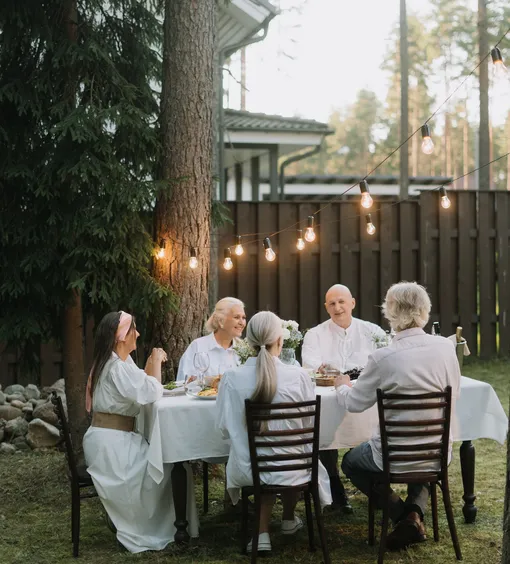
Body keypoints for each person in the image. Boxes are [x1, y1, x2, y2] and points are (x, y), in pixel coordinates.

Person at [335, 282, 461, 550]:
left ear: (390, 312)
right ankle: (414, 516)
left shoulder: (383, 357)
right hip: (435, 453)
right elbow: (456, 395)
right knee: (425, 461)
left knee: (350, 462)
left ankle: (401, 514)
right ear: (424, 311)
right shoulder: (445, 348)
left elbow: (355, 404)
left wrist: (340, 386)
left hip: (391, 456)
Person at [217, 311, 332, 554]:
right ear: (280, 340)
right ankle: (289, 519)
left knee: (265, 455)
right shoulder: (299, 375)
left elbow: (224, 427)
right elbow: (307, 425)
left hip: (250, 467)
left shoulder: (231, 378)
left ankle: (262, 534)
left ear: (248, 343)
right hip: (295, 467)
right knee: (294, 448)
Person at [83, 311, 198, 553]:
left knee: (173, 463)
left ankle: (172, 525)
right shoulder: (115, 366)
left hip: (117, 439)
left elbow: (142, 384)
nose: (138, 333)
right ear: (121, 337)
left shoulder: (121, 362)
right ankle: (156, 528)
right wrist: (155, 362)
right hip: (111, 446)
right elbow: (150, 392)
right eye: (133, 330)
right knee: (169, 465)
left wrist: (148, 368)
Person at [301, 283, 386, 513]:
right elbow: (312, 368)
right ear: (326, 307)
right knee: (324, 429)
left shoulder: (373, 331)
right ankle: (335, 489)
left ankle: (378, 488)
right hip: (330, 399)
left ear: (353, 303)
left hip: (365, 398)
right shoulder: (315, 334)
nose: (338, 308)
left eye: (342, 302)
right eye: (332, 303)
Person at [176, 297, 246, 383]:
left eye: (243, 318)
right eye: (237, 317)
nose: (242, 323)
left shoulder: (244, 349)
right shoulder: (198, 346)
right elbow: (184, 383)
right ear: (221, 321)